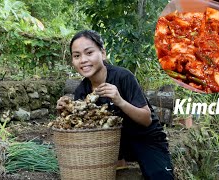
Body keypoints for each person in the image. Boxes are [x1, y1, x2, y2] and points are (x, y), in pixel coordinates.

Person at [56, 30, 174, 180]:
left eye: (89, 53)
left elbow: (146, 119)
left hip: (145, 139)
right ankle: (120, 158)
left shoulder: (123, 77)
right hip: (113, 142)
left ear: (103, 53)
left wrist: (120, 101)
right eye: (77, 56)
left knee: (159, 175)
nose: (83, 60)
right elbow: (81, 128)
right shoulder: (82, 90)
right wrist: (65, 112)